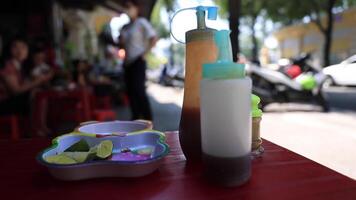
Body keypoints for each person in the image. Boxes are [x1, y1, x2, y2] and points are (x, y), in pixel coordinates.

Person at [119, 0, 158, 120]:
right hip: (127, 63)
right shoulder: (125, 27)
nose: (128, 9)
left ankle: (148, 120)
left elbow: (153, 37)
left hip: (138, 61)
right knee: (130, 92)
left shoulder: (141, 22)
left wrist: (145, 53)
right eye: (126, 7)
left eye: (130, 7)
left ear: (136, 8)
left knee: (139, 90)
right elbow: (121, 45)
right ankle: (135, 119)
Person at [0, 37, 52, 116]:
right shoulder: (8, 66)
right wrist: (38, 80)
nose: (20, 51)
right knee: (35, 93)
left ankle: (39, 123)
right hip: (3, 104)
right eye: (15, 47)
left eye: (23, 47)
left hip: (13, 101)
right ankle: (36, 124)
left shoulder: (20, 66)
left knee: (40, 92)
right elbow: (16, 90)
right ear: (9, 49)